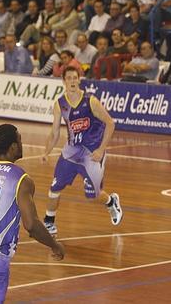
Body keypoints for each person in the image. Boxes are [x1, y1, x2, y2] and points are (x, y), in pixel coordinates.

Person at [0, 124, 65, 303]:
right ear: (13, 147)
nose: (22, 144)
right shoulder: (21, 179)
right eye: (20, 140)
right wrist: (54, 245)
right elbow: (31, 225)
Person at [41, 67, 123, 235]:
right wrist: (46, 152)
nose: (72, 81)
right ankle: (49, 221)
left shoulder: (90, 101)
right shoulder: (60, 104)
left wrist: (101, 150)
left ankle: (110, 201)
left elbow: (110, 123)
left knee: (93, 195)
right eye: (68, 78)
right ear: (63, 81)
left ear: (79, 80)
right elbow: (55, 131)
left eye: (75, 78)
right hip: (71, 152)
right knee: (55, 187)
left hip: (91, 153)